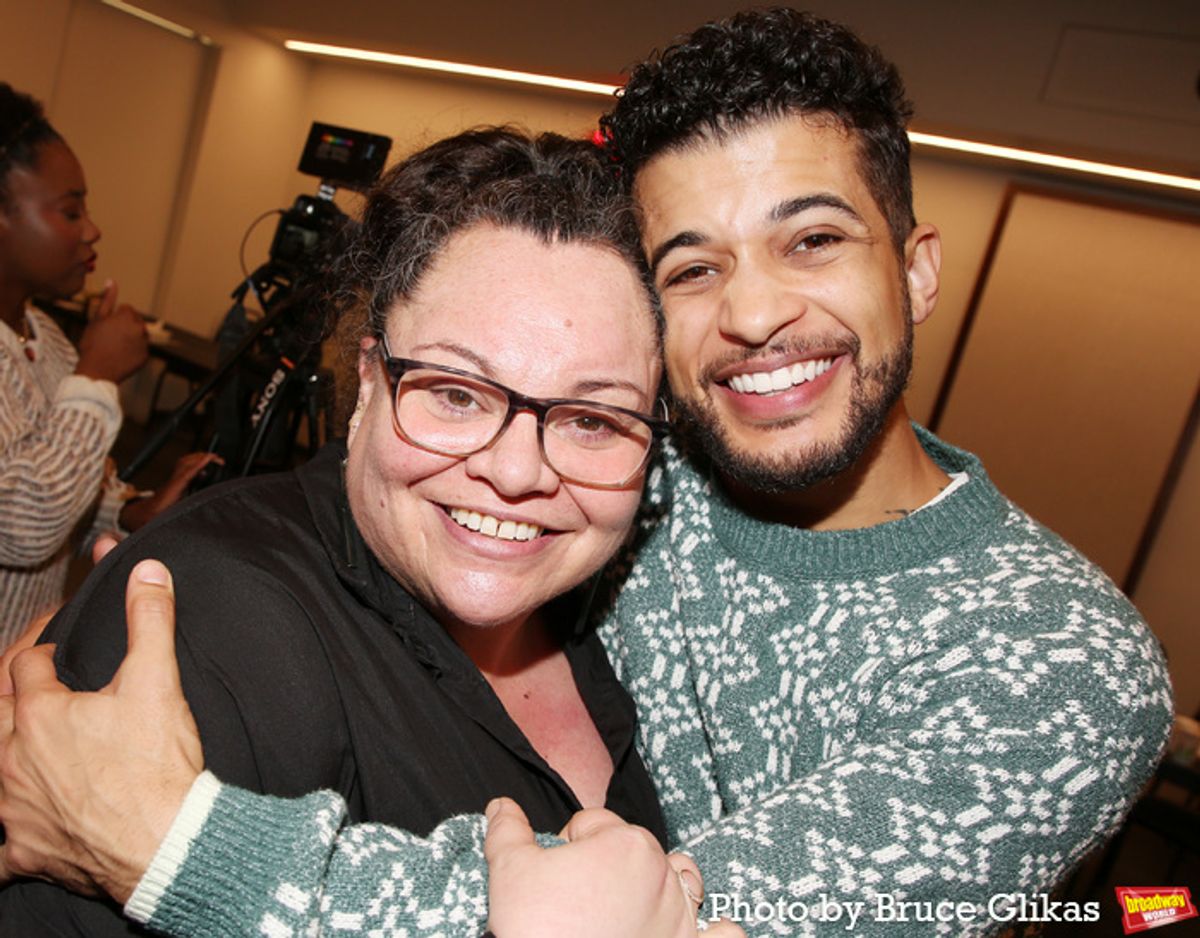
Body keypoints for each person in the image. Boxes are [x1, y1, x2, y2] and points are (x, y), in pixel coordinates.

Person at [0, 9, 1172, 936]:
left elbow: (657, 917)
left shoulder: (1064, 663)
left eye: (813, 239)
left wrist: (162, 842)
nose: (756, 312)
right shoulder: (636, 474)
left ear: (916, 269)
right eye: (691, 266)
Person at [0, 126, 739, 938]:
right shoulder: (215, 622)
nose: (519, 472)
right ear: (367, 380)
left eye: (592, 419)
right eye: (457, 394)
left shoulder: (646, 621)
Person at [0, 82, 218, 647]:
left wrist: (126, 512)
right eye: (70, 210)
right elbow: (23, 524)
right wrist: (95, 378)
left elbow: (67, 483)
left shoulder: (46, 338)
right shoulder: (80, 362)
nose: (92, 229)